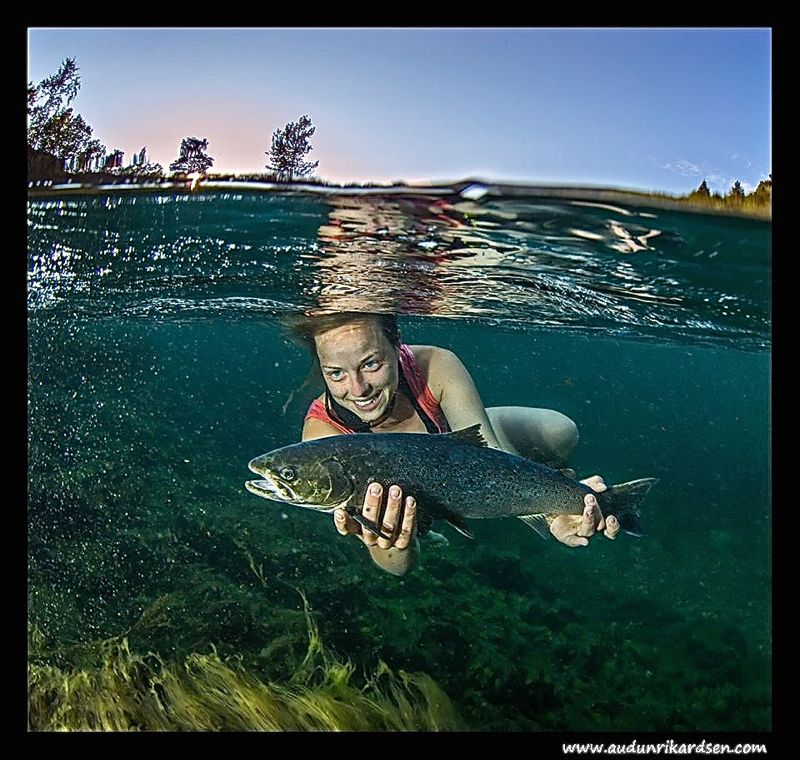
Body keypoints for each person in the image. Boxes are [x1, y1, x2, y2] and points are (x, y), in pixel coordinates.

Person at [293, 312, 619, 576]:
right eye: (335, 373)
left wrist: (555, 508)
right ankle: (428, 523)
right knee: (413, 525)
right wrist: (395, 544)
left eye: (371, 364)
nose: (358, 388)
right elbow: (395, 567)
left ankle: (532, 470)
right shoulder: (323, 437)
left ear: (397, 344)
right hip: (415, 493)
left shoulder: (436, 365)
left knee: (560, 431)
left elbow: (491, 460)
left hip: (463, 443)